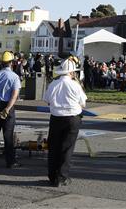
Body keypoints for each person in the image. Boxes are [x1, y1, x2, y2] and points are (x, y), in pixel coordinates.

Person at [43, 58, 87, 187]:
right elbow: (83, 103)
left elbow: (47, 100)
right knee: (67, 148)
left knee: (54, 147)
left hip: (56, 117)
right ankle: (62, 177)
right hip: (72, 118)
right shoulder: (75, 85)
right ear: (72, 72)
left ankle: (52, 176)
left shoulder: (53, 84)